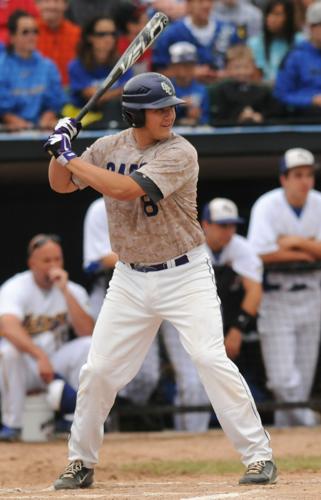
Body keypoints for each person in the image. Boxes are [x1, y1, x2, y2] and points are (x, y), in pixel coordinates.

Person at [44, 71, 277, 489]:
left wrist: (70, 155)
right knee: (97, 370)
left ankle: (259, 456)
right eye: (158, 109)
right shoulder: (106, 147)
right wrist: (60, 147)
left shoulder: (180, 152)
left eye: (170, 107)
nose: (169, 114)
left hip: (184, 273)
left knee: (209, 358)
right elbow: (61, 185)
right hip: (130, 278)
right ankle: (80, 461)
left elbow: (123, 190)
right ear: (135, 113)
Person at [161, 197, 266, 432]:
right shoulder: (186, 243)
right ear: (205, 224)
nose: (228, 231)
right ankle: (187, 439)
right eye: (222, 225)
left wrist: (237, 330)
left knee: (206, 378)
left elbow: (255, 290)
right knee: (190, 382)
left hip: (207, 316)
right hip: (176, 314)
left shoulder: (240, 246)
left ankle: (193, 438)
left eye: (232, 225)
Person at [247, 147, 321, 427]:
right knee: (282, 380)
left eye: (309, 175)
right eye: (298, 175)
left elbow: (275, 248)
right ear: (284, 179)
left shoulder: (318, 202)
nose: (305, 181)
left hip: (313, 295)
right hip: (278, 298)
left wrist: (293, 242)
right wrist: (310, 247)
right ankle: (310, 423)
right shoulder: (267, 204)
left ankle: (293, 443)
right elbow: (260, 253)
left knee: (301, 379)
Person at [0, 234, 94, 441]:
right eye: (46, 260)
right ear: (32, 263)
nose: (53, 265)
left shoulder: (72, 290)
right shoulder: (15, 287)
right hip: (25, 365)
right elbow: (8, 327)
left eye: (57, 259)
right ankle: (11, 425)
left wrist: (66, 292)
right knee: (7, 351)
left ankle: (74, 420)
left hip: (55, 364)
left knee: (88, 345)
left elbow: (87, 332)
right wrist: (39, 356)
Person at [82, 196, 161, 426]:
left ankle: (126, 416)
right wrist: (146, 255)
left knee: (148, 375)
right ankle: (101, 424)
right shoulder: (99, 207)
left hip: (148, 293)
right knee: (100, 365)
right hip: (108, 291)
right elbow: (102, 259)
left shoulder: (154, 202)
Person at [0, 10, 66, 131]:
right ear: (12, 37)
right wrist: (11, 119)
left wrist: (48, 116)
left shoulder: (48, 66)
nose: (32, 36)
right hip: (8, 132)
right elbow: (3, 109)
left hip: (42, 132)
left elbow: (55, 101)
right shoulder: (2, 66)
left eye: (35, 31)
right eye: (25, 32)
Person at [152, 0, 246, 84]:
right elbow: (158, 74)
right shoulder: (171, 34)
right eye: (200, 1)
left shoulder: (228, 30)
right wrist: (188, 72)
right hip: (184, 96)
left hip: (223, 94)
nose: (206, 5)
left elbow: (243, 65)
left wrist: (227, 73)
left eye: (209, 1)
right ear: (189, 4)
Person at [67, 15, 133, 129]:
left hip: (117, 118)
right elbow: (95, 98)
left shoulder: (123, 63)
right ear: (89, 36)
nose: (108, 39)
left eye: (113, 34)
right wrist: (118, 91)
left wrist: (109, 94)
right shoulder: (77, 65)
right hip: (86, 122)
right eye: (102, 34)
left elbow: (129, 92)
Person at [273, 1, 321, 121]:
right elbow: (281, 95)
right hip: (305, 118)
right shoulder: (294, 56)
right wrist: (311, 100)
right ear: (311, 27)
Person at [209, 44, 279, 125]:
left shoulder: (264, 91)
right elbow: (217, 119)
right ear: (227, 68)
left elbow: (274, 115)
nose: (242, 72)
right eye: (237, 67)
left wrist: (260, 117)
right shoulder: (220, 91)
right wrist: (238, 118)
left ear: (254, 67)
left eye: (246, 67)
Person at [247, 0, 303, 85]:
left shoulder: (301, 42)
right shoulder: (254, 43)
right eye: (268, 14)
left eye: (277, 14)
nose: (270, 19)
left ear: (289, 17)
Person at [36, 0, 80, 86]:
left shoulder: (77, 33)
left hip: (71, 89)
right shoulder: (28, 33)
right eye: (47, 1)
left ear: (66, 5)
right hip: (37, 90)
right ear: (37, 4)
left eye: (57, 1)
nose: (52, 6)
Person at [168, 41, 210, 125]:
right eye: (180, 65)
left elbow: (207, 118)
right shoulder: (165, 88)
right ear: (172, 66)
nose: (184, 70)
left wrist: (198, 117)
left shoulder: (201, 89)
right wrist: (180, 105)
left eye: (189, 65)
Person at [112, 1, 152, 75]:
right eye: (144, 22)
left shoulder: (148, 43)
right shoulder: (118, 46)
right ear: (130, 25)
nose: (149, 26)